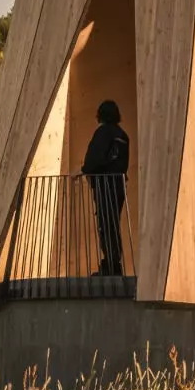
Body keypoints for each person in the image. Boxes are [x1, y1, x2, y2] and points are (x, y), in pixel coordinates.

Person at [80, 100, 130, 276]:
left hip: (105, 185)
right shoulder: (123, 135)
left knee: (105, 224)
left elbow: (95, 158)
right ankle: (114, 262)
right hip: (118, 186)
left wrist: (84, 170)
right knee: (113, 223)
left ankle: (110, 264)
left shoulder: (103, 133)